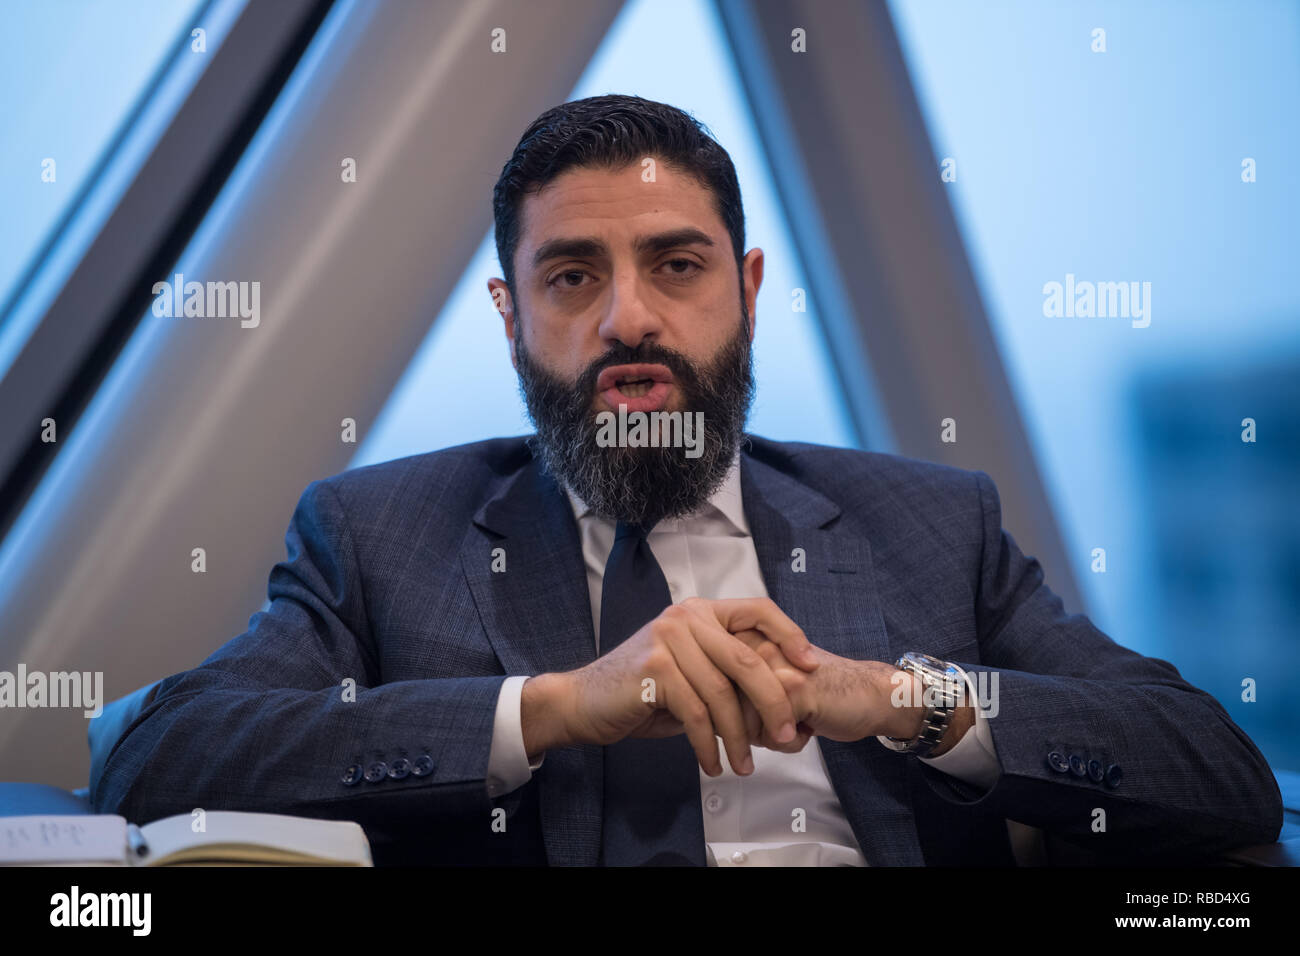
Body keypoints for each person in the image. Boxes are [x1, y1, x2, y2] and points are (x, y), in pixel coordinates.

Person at [93, 94, 1282, 866]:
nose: (629, 318)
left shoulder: (931, 522)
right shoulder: (378, 536)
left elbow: (1216, 768)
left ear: (748, 289)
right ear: (509, 317)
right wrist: (550, 707)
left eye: (676, 264)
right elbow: (158, 761)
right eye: (570, 277)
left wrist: (896, 697)